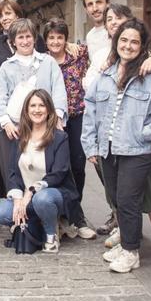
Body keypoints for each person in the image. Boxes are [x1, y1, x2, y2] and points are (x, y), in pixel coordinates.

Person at [81, 19, 151, 273]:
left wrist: (149, 133)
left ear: (143, 45)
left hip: (137, 149)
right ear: (116, 42)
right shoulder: (106, 73)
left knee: (128, 199)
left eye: (134, 41)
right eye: (124, 40)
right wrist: (90, 146)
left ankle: (132, 252)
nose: (128, 45)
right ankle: (125, 244)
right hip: (108, 149)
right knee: (116, 200)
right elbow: (91, 111)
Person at [0, 89, 80, 253]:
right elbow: (12, 172)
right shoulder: (20, 137)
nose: (37, 110)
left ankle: (51, 234)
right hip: (25, 197)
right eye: (33, 105)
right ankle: (33, 223)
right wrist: (18, 199)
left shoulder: (60, 137)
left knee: (42, 199)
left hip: (53, 194)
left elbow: (59, 172)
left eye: (41, 105)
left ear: (49, 110)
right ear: (26, 110)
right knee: (0, 212)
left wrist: (32, 191)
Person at [0, 18, 67, 194]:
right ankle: (17, 209)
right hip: (15, 128)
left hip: (45, 126)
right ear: (13, 42)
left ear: (34, 38)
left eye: (28, 36)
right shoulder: (6, 67)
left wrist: (57, 117)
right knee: (15, 171)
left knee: (47, 168)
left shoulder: (48, 63)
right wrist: (6, 123)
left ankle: (49, 207)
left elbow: (59, 92)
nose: (25, 41)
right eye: (20, 38)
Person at [43, 18, 95, 240]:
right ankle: (67, 216)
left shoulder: (79, 55)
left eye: (60, 37)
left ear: (66, 39)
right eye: (51, 37)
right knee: (59, 169)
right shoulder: (42, 61)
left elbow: (105, 54)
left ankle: (74, 213)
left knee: (78, 166)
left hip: (77, 117)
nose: (56, 41)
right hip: (51, 121)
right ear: (45, 40)